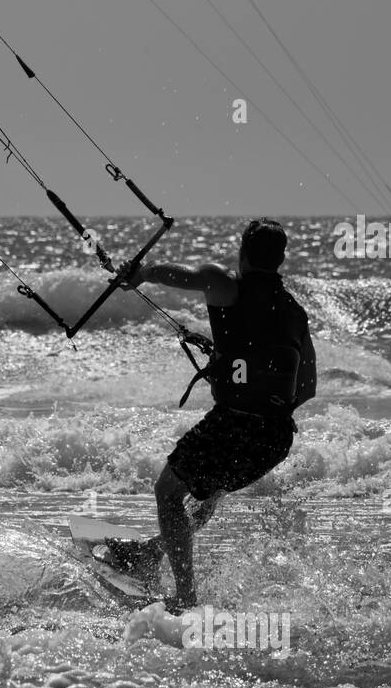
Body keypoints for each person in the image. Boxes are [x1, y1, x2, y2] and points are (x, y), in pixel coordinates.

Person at [103, 218, 316, 613]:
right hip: (275, 438)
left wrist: (144, 273)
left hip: (234, 423)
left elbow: (191, 275)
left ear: (244, 252)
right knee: (203, 499)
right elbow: (306, 388)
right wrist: (252, 386)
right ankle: (151, 554)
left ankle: (185, 596)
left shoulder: (227, 284)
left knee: (169, 491)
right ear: (281, 258)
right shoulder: (295, 313)